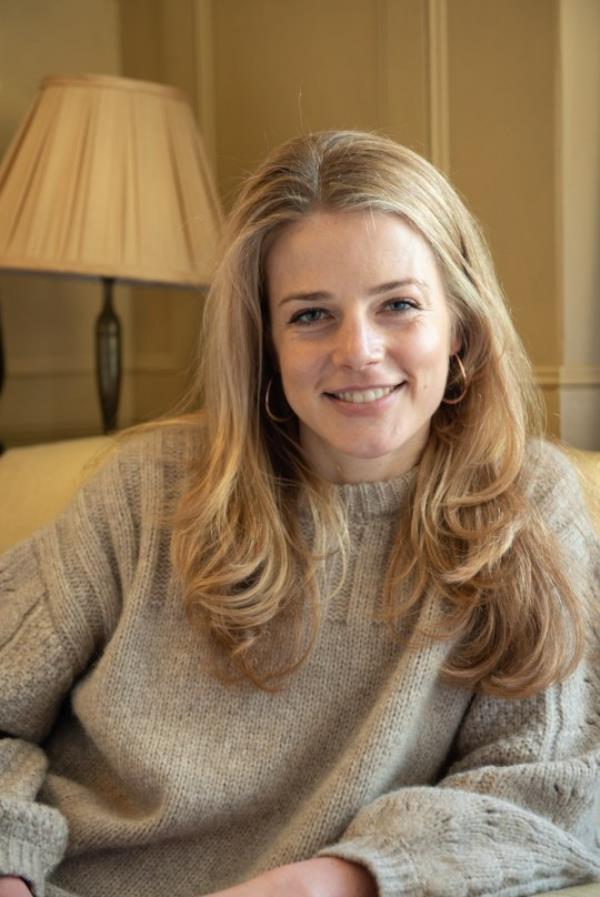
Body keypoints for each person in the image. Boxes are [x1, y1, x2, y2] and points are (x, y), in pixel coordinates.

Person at [0, 130, 598, 897]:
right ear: (265, 343)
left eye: (400, 305)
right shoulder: (146, 491)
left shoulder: (528, 507)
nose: (359, 349)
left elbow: (549, 790)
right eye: (311, 315)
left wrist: (331, 883)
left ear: (462, 328)